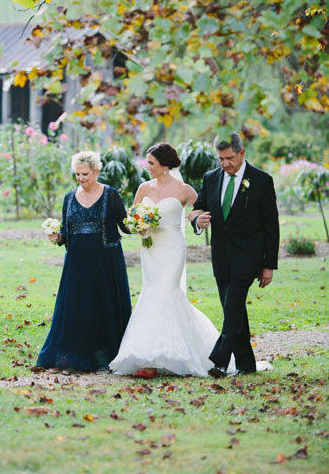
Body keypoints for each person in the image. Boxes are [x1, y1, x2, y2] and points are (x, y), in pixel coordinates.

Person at [110, 143, 224, 378]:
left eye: (151, 163)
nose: (148, 167)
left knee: (166, 292)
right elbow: (132, 217)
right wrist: (138, 228)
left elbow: (199, 210)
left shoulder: (184, 190)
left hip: (172, 247)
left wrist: (199, 219)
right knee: (152, 293)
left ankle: (168, 357)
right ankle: (151, 355)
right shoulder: (143, 188)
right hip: (150, 248)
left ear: (165, 166)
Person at [188, 133, 279, 377]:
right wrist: (198, 220)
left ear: (241, 153)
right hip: (221, 255)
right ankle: (246, 365)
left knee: (233, 306)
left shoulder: (261, 180)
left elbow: (272, 226)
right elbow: (197, 207)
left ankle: (219, 360)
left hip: (249, 255)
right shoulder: (210, 178)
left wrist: (268, 265)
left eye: (229, 158)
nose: (225, 164)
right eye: (220, 159)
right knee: (234, 310)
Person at [36, 151, 133, 371]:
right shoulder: (69, 197)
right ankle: (77, 352)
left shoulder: (111, 195)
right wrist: (56, 237)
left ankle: (108, 353)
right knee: (78, 305)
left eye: (85, 174)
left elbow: (125, 225)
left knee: (104, 304)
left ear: (97, 172)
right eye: (78, 174)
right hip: (77, 262)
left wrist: (142, 223)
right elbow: (65, 233)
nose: (81, 178)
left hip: (106, 261)